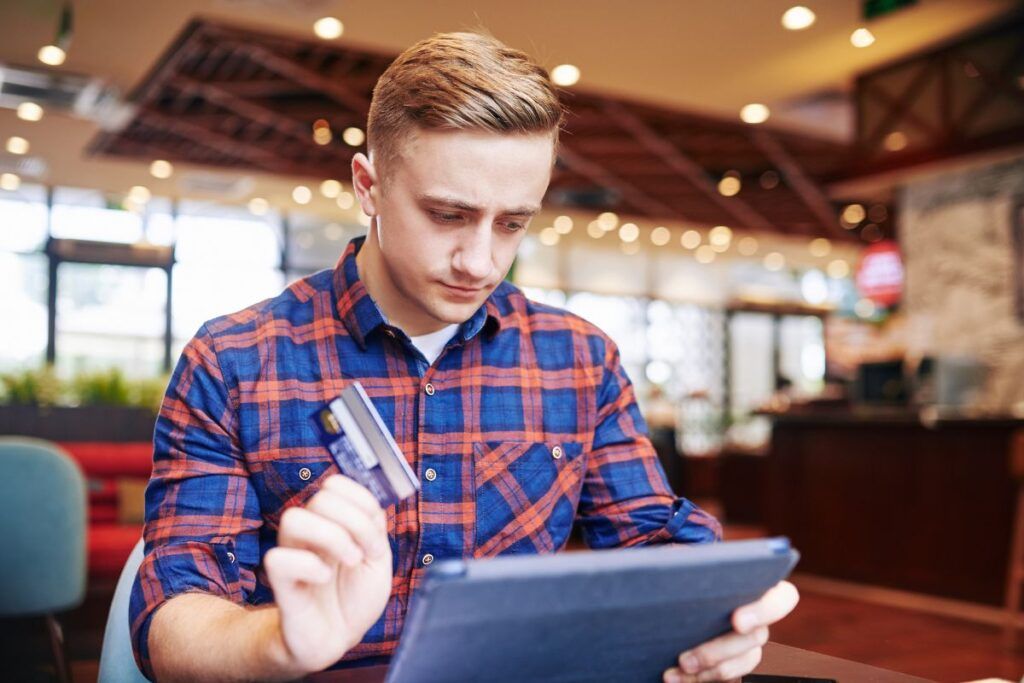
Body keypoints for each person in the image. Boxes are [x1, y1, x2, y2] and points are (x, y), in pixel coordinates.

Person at [130, 31, 798, 683]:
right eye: (448, 214)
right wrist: (280, 643)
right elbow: (173, 623)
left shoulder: (580, 360)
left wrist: (717, 613)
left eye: (512, 223)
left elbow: (649, 538)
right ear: (368, 186)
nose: (479, 261)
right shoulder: (234, 361)